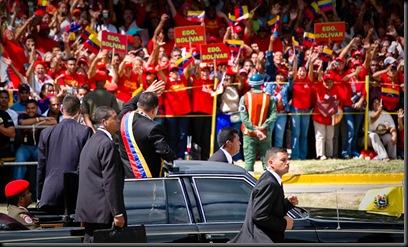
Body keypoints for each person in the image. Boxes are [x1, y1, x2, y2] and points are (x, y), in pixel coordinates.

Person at [75, 106, 126, 243]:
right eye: (115, 118)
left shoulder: (91, 142)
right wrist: (117, 213)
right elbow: (110, 181)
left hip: (90, 210)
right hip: (103, 212)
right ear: (104, 122)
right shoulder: (106, 144)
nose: (118, 121)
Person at [37, 95, 93, 215]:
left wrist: (40, 194)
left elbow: (41, 166)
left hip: (50, 191)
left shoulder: (46, 132)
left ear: (62, 109)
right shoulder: (85, 131)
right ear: (79, 111)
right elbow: (87, 163)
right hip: (76, 193)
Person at [230, 147, 298, 243]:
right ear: (271, 163)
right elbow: (259, 215)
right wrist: (284, 224)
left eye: (288, 159)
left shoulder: (271, 180)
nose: (288, 163)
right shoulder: (269, 183)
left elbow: (269, 208)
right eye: (283, 160)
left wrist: (287, 203)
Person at [119, 92, 175, 178]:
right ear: (155, 109)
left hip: (125, 176)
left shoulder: (124, 117)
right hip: (146, 179)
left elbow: (129, 104)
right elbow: (166, 153)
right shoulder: (153, 128)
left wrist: (144, 92)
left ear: (138, 104)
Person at [240, 73, 277, 173]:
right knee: (267, 162)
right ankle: (268, 183)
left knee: (249, 161)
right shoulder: (269, 97)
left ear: (250, 84)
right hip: (264, 133)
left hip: (249, 134)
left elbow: (244, 117)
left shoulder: (245, 97)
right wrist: (263, 127)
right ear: (262, 84)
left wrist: (254, 129)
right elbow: (273, 115)